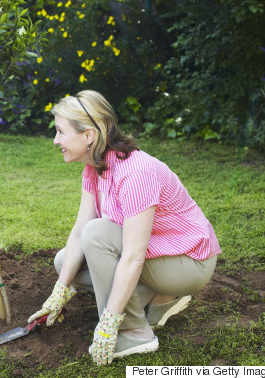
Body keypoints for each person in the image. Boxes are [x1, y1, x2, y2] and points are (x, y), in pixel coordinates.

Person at [28, 90, 221, 365]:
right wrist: (59, 292)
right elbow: (79, 230)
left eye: (60, 131)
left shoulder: (135, 173)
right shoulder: (94, 167)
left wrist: (108, 325)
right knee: (65, 263)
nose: (56, 140)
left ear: (88, 136)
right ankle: (157, 298)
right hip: (159, 256)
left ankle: (135, 331)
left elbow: (131, 256)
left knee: (97, 235)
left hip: (189, 263)